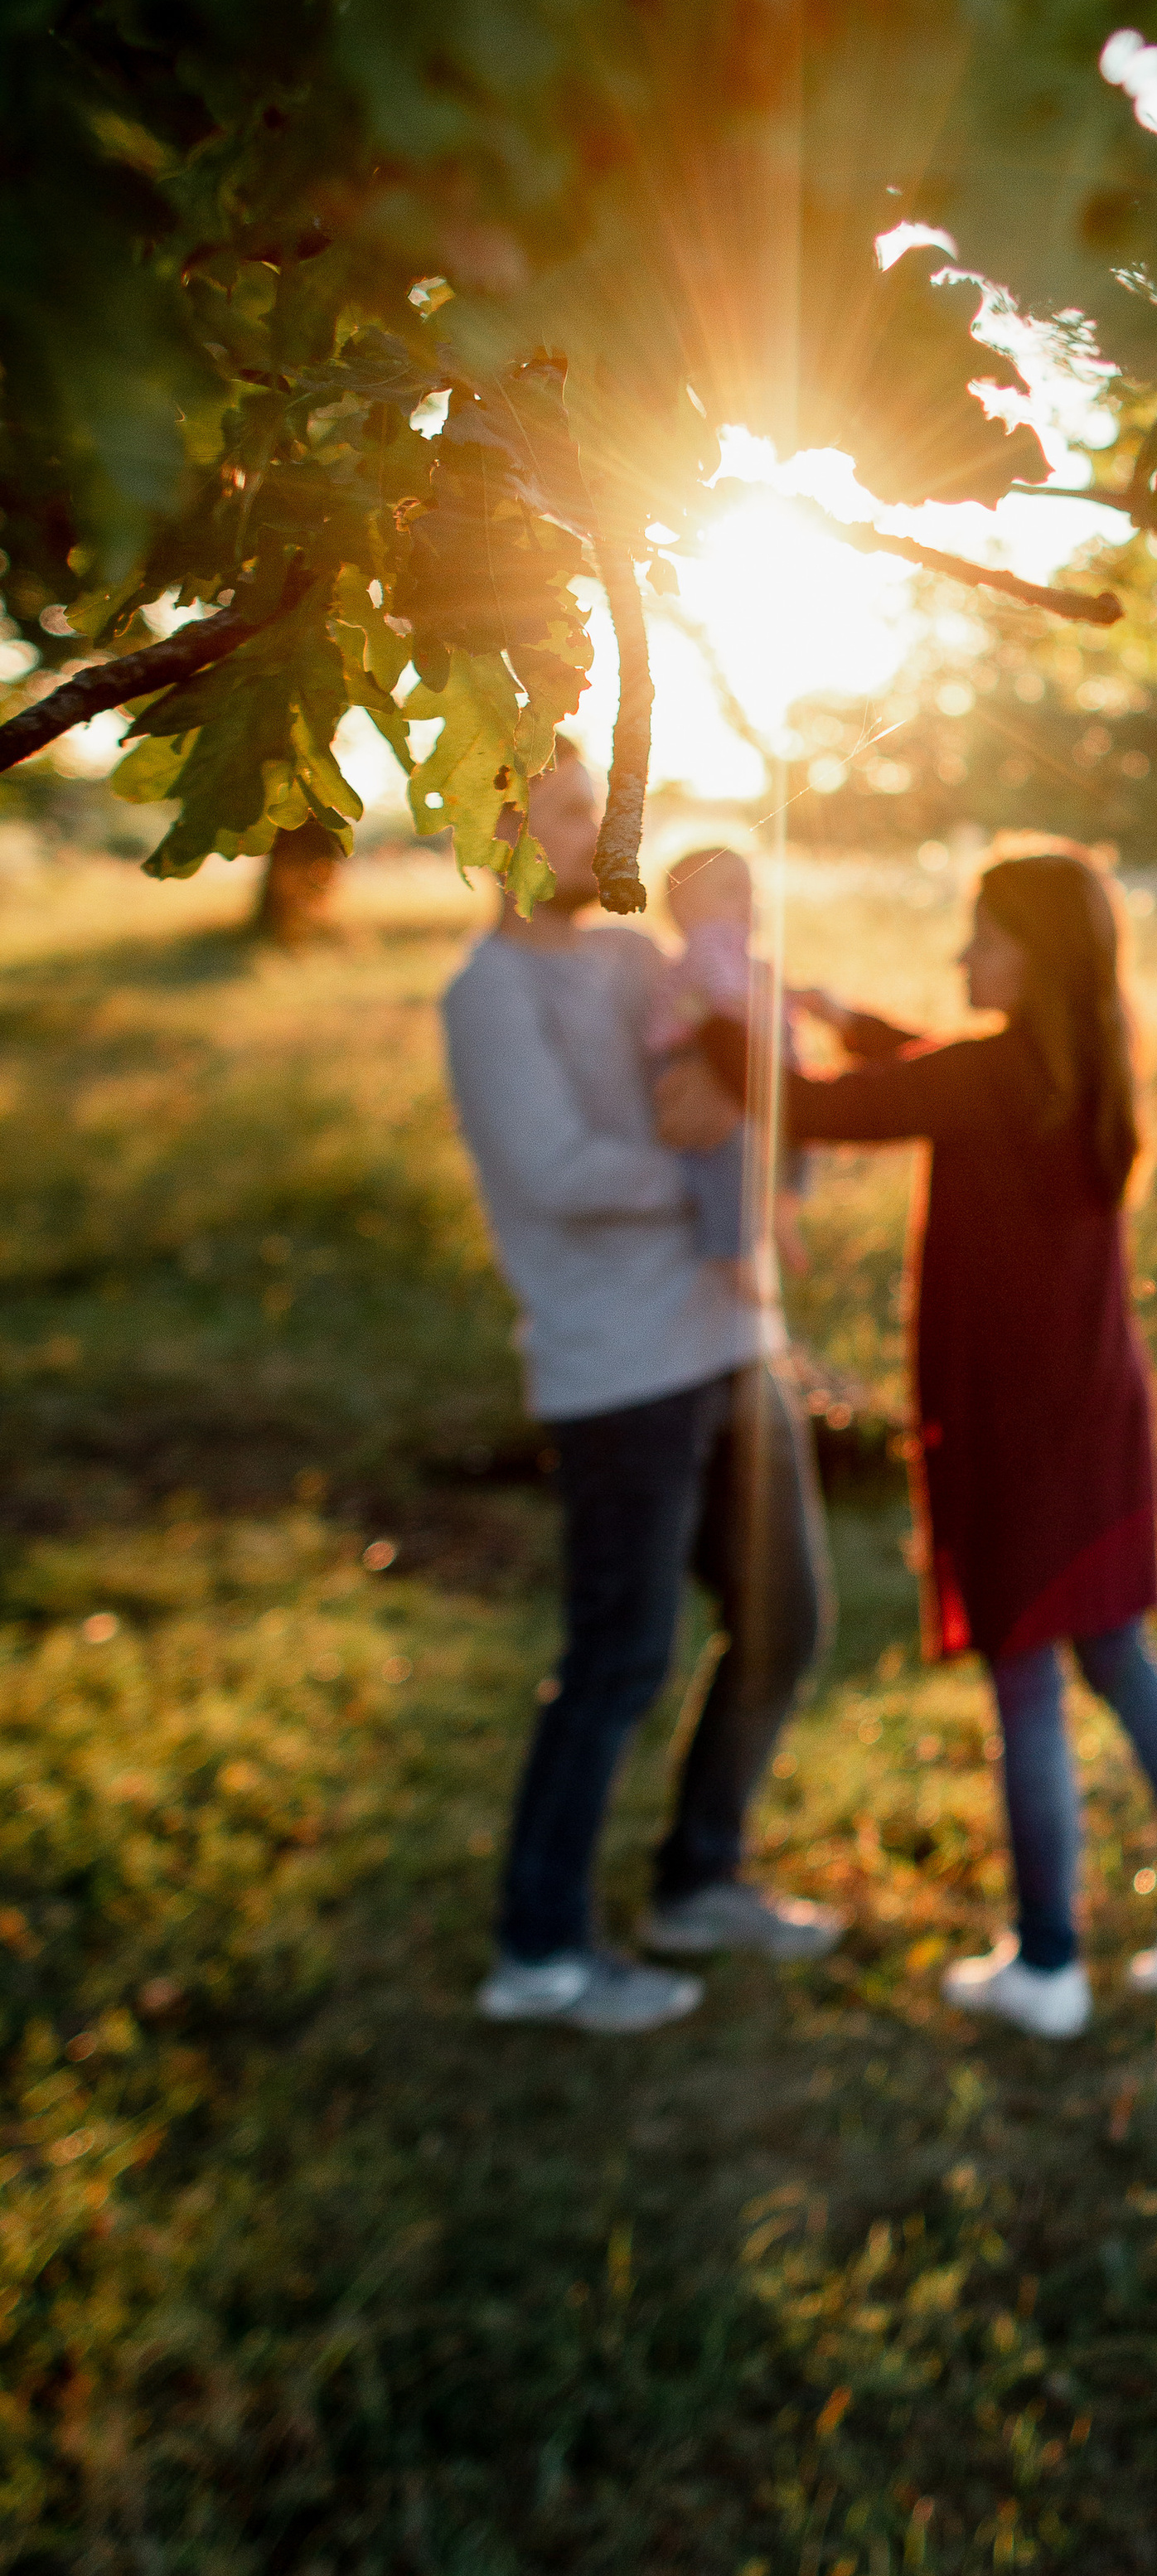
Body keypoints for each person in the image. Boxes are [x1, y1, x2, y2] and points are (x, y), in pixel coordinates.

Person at [663, 844, 1157, 2041]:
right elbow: (942, 1074)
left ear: (1031, 952)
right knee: (1118, 1659)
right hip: (1092, 1419)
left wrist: (726, 1021)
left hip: (1015, 1432)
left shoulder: (993, 1076)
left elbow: (833, 1110)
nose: (962, 956)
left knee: (1026, 1680)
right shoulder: (1080, 1059)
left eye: (981, 936)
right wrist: (855, 1018)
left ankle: (1046, 1962)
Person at [440, 742, 842, 2036]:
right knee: (621, 1657)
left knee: (786, 1622)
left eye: (599, 808)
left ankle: (696, 1882)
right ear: (495, 832)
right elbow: (555, 1169)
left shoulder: (629, 965)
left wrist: (741, 1108)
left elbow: (719, 1071)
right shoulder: (486, 994)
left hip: (729, 1341)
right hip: (616, 1370)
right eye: (563, 814)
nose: (594, 834)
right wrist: (690, 1160)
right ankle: (539, 1948)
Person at [645, 844, 811, 1283]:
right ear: (682, 908)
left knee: (803, 1134)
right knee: (722, 1149)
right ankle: (730, 1249)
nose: (747, 903)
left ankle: (782, 1212)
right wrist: (775, 1009)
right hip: (694, 1063)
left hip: (738, 1062)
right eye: (730, 891)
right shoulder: (706, 943)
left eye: (751, 891)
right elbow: (727, 1004)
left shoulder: (749, 958)